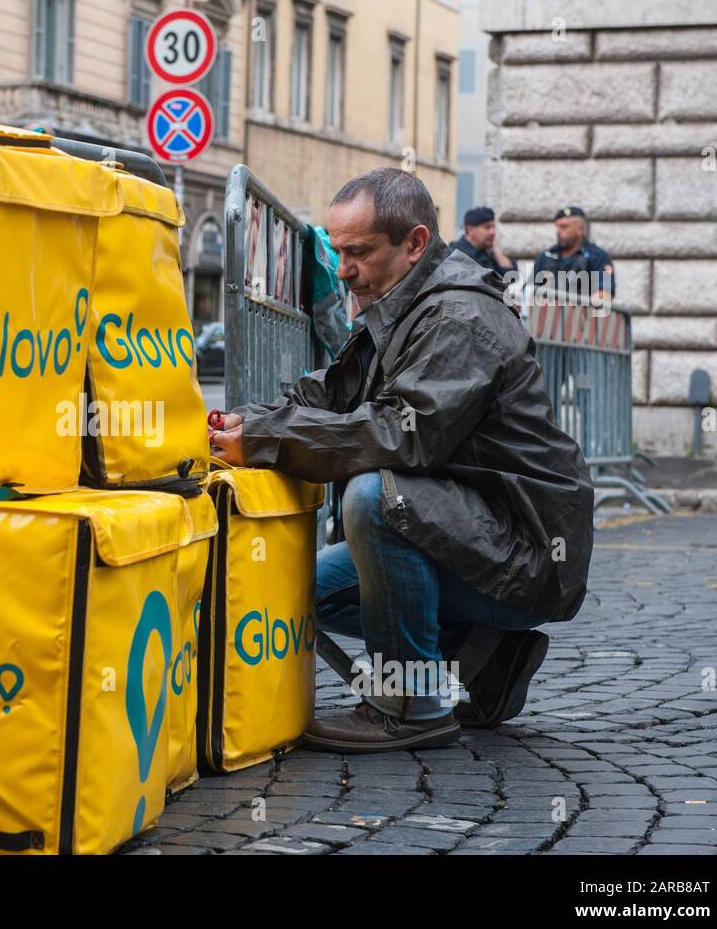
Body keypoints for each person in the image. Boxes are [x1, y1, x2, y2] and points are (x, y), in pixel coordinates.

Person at [210, 168, 594, 753]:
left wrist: (268, 439)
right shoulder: (401, 301)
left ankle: (409, 703)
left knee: (376, 496)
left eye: (357, 252)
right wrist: (242, 422)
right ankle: (483, 653)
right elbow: (327, 393)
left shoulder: (459, 318)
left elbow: (401, 434)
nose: (342, 269)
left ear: (414, 243)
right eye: (337, 251)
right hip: (470, 534)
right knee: (293, 593)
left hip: (526, 552)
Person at [531, 205, 614, 307]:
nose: (558, 232)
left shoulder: (597, 256)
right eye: (557, 227)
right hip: (546, 319)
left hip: (581, 320)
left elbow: (604, 294)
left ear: (580, 229)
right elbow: (530, 291)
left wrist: (574, 308)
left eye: (564, 227)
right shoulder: (546, 256)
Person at [449, 206, 515, 276]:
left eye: (493, 227)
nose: (492, 232)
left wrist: (494, 250)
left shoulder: (490, 254)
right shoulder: (455, 253)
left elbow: (512, 276)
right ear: (470, 230)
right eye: (487, 227)